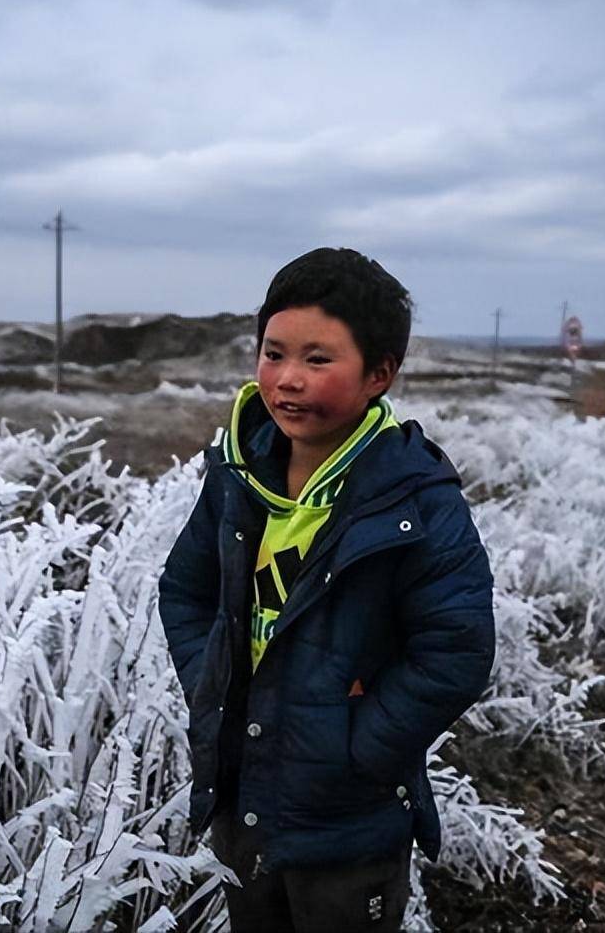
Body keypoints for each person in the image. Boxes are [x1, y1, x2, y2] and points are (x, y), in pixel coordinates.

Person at [157, 247, 495, 932]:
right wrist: (211, 683)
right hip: (242, 797)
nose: (288, 380)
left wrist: (358, 751)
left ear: (380, 373)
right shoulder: (238, 475)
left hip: (348, 823)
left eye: (318, 359)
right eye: (274, 353)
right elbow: (185, 592)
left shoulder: (415, 499)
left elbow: (456, 650)